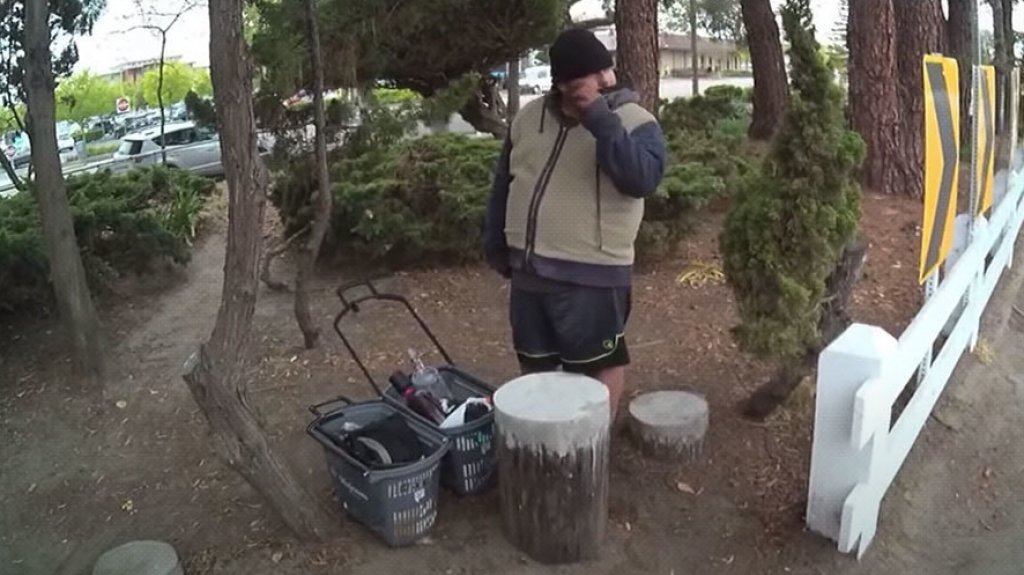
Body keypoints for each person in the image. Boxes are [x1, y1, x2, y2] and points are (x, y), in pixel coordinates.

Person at [483, 28, 667, 418]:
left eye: (607, 69)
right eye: (592, 73)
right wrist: (495, 240)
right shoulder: (529, 117)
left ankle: (591, 447)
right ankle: (548, 440)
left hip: (593, 275)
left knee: (599, 365)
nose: (605, 80)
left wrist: (599, 118)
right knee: (536, 364)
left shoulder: (635, 121)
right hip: (529, 271)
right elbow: (505, 181)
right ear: (564, 83)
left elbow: (641, 180)